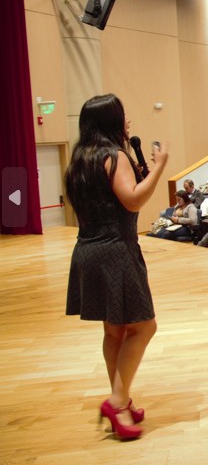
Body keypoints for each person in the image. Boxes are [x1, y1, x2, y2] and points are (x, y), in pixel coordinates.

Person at [64, 95, 167, 440]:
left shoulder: (79, 159)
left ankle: (121, 404)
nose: (128, 122)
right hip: (116, 251)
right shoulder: (115, 156)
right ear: (111, 120)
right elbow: (133, 200)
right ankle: (117, 400)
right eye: (123, 115)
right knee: (145, 327)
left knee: (114, 332)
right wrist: (159, 167)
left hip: (87, 250)